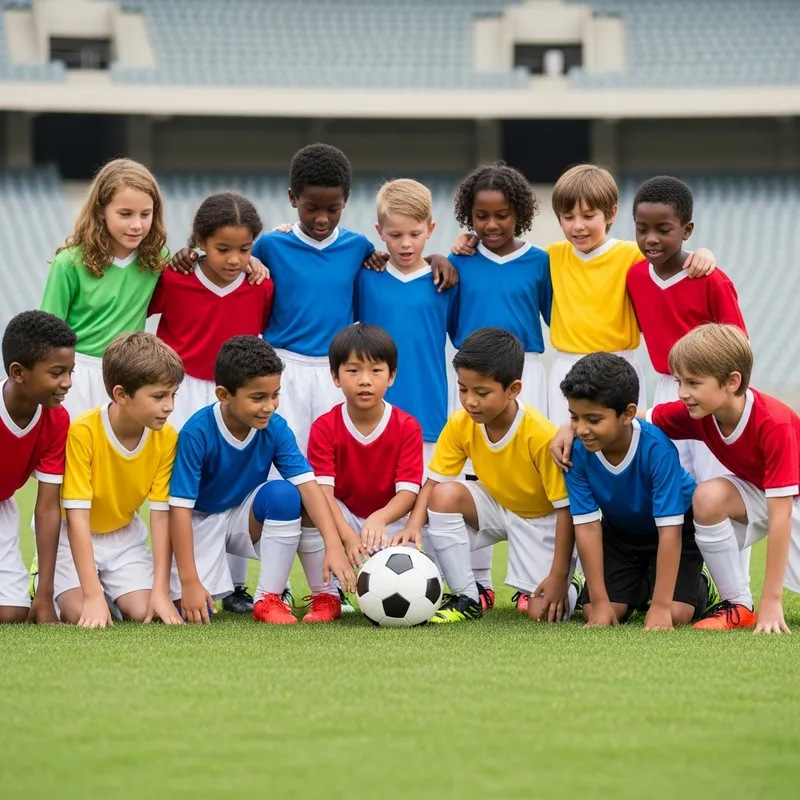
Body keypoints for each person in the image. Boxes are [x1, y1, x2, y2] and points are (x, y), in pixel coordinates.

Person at [170, 143, 456, 456]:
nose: (322, 218)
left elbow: (403, 267)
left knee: (332, 460)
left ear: (345, 200)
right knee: (279, 459)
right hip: (284, 366)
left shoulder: (357, 247)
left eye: (332, 209)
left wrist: (436, 258)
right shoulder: (271, 245)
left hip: (335, 369)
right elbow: (231, 258)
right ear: (293, 198)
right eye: (312, 208)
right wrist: (192, 254)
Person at [452, 163, 717, 426]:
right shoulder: (552, 256)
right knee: (566, 451)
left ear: (611, 213)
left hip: (619, 364)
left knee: (625, 444)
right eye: (568, 217)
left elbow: (672, 260)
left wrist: (703, 253)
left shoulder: (633, 256)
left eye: (588, 216)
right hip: (566, 367)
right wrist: (469, 239)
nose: (578, 226)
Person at [393, 328, 579, 624]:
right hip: (495, 505)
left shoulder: (539, 435)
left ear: (513, 389)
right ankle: (467, 596)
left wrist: (558, 576)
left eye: (482, 392)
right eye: (463, 389)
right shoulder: (460, 423)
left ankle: (575, 582)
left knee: (544, 615)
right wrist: (414, 525)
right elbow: (434, 482)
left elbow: (566, 509)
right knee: (444, 495)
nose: (470, 401)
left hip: (541, 518)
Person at [168, 336, 355, 625]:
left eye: (275, 395)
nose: (270, 406)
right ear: (223, 394)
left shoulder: (275, 428)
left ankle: (279, 597)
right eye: (258, 398)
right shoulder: (197, 432)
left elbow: (309, 486)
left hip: (243, 518)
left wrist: (333, 544)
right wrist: (189, 581)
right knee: (184, 610)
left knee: (286, 494)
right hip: (199, 524)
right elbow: (179, 510)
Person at [149, 191, 275, 614]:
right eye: (223, 249)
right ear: (200, 240)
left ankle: (236, 587)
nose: (235, 259)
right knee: (175, 493)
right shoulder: (174, 278)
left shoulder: (261, 285)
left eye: (245, 249)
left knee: (234, 485)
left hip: (231, 397)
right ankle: (162, 582)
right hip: (180, 395)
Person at [649, 324, 800, 634]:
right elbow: (633, 417)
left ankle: (760, 604)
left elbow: (781, 515)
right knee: (707, 497)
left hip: (789, 501)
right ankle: (739, 605)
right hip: (762, 493)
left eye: (693, 382)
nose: (682, 393)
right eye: (680, 381)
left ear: (732, 382)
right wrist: (569, 429)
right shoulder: (698, 412)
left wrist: (772, 601)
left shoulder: (774, 423)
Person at [559, 352, 716, 630]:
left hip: (676, 530)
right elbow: (586, 526)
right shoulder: (576, 453)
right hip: (621, 535)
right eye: (574, 417)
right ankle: (643, 583)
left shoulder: (657, 448)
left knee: (676, 614)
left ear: (628, 413)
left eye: (593, 420)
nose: (581, 429)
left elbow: (670, 529)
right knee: (596, 612)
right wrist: (601, 601)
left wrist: (661, 606)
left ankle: (699, 582)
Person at [54, 332, 185, 628]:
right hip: (72, 535)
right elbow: (77, 516)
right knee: (78, 614)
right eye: (159, 396)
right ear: (121, 395)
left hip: (124, 538)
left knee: (144, 612)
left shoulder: (167, 438)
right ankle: (59, 583)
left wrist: (162, 592)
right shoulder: (83, 432)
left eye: (172, 394)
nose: (169, 406)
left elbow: (161, 516)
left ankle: (109, 593)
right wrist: (90, 596)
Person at [626, 175, 747, 482]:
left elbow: (737, 345)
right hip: (667, 387)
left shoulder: (711, 279)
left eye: (663, 230)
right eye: (642, 229)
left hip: (709, 390)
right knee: (673, 478)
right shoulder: (635, 277)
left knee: (714, 477)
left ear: (686, 230)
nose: (651, 238)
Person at [40, 158, 170, 418]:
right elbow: (47, 334)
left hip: (128, 376)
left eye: (146, 214)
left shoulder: (157, 260)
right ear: (101, 211)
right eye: (125, 214)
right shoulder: (70, 262)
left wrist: (254, 261)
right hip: (76, 374)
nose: (137, 225)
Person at [307, 324, 423, 575]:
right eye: (353, 370)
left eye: (376, 370)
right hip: (342, 518)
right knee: (306, 504)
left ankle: (464, 589)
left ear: (392, 376)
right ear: (335, 377)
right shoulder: (324, 427)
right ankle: (327, 593)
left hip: (390, 518)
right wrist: (347, 535)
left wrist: (381, 517)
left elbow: (408, 492)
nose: (365, 380)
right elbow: (324, 494)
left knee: (431, 509)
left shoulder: (407, 426)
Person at [1, 311, 75, 623]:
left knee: (12, 614)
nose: (67, 383)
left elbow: (46, 509)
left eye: (70, 371)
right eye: (57, 373)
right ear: (18, 372)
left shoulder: (56, 420)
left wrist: (44, 593)